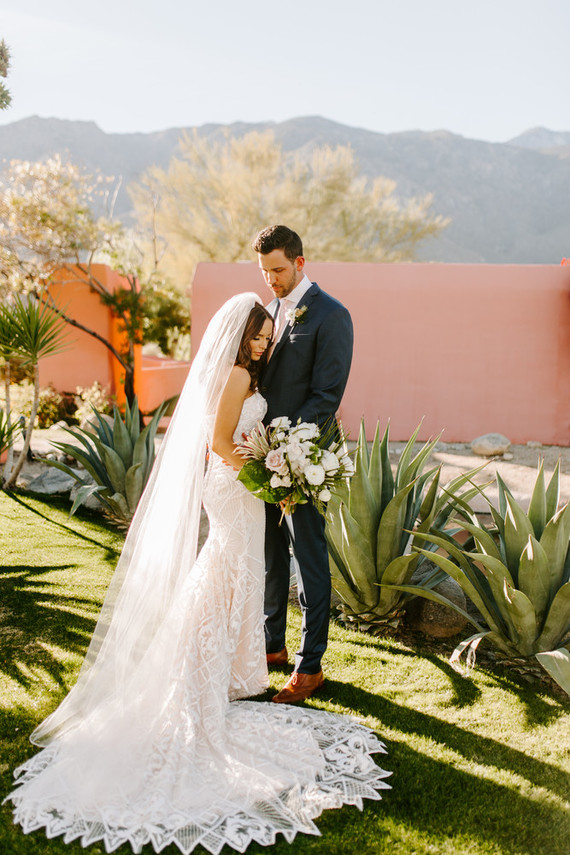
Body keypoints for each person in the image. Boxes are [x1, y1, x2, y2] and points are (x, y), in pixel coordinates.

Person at [6, 293, 389, 854]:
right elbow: (217, 443)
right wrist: (269, 475)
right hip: (235, 489)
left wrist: (269, 473)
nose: (261, 345)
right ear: (236, 337)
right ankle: (192, 675)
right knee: (223, 572)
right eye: (255, 337)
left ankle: (212, 670)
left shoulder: (242, 372)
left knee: (236, 575)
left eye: (265, 338)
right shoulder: (236, 375)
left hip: (244, 487)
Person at [253, 225, 354, 703]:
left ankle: (309, 666)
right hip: (264, 456)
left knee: (308, 559)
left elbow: (326, 395)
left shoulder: (332, 315)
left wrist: (288, 449)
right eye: (264, 271)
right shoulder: (270, 311)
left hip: (303, 457)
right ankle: (272, 645)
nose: (271, 279)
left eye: (278, 269)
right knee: (272, 553)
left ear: (300, 262)